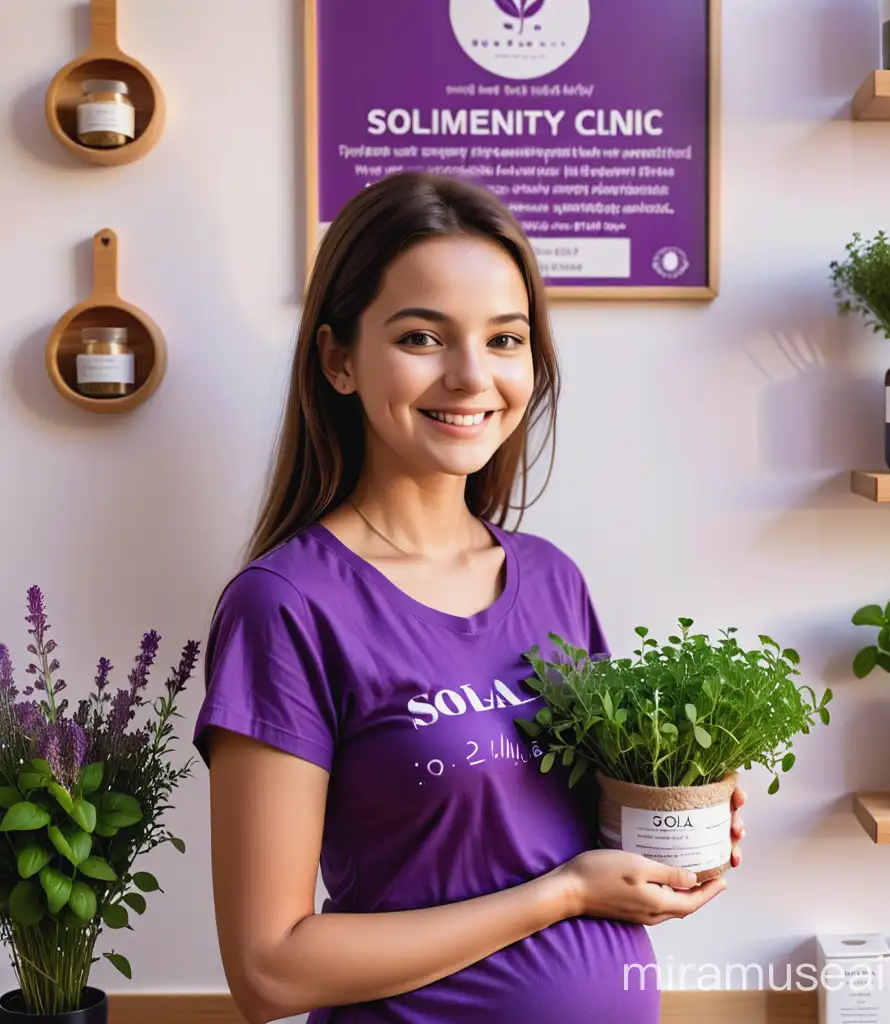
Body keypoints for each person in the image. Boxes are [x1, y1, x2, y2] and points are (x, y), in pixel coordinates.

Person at [192, 171, 745, 1024]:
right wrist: (559, 897)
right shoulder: (288, 607)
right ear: (339, 359)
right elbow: (271, 971)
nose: (470, 375)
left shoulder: (552, 578)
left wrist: (675, 810)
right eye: (422, 336)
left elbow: (566, 836)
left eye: (504, 339)